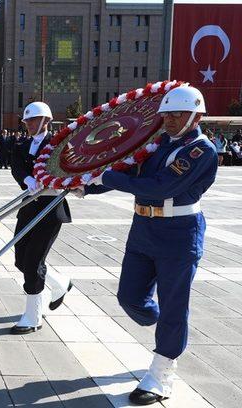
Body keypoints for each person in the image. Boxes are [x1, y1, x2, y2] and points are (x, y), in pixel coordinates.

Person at [83, 86, 218, 405]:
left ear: (196, 116)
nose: (169, 119)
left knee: (174, 305)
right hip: (143, 228)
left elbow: (160, 187)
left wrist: (106, 179)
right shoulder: (155, 144)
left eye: (177, 114)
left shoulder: (201, 150)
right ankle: (165, 325)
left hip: (178, 233)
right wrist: (87, 186)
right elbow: (128, 169)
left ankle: (161, 374)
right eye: (166, 114)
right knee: (130, 297)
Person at [9, 101, 73, 335]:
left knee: (34, 261)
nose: (29, 125)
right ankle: (60, 285)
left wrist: (51, 181)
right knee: (20, 259)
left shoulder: (59, 145)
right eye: (27, 121)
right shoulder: (22, 144)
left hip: (50, 207)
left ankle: (33, 316)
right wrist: (27, 180)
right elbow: (16, 166)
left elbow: (69, 168)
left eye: (34, 121)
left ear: (46, 121)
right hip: (29, 205)